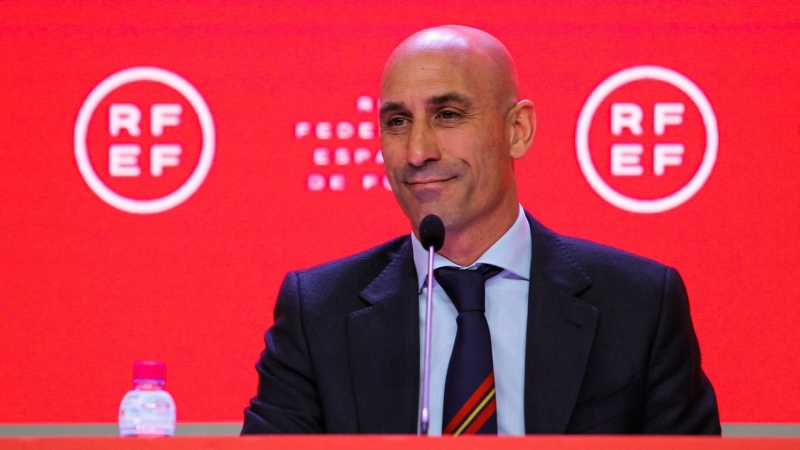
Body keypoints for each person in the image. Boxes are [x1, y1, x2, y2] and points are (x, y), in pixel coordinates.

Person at [242, 25, 720, 435]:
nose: (417, 150)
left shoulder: (638, 304)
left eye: (448, 115)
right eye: (397, 121)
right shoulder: (319, 311)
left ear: (518, 130)